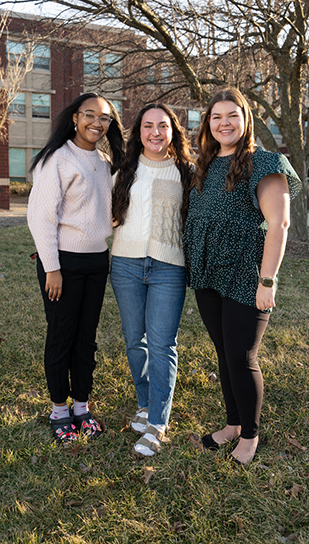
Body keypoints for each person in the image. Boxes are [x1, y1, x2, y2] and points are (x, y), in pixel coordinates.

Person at [183, 88, 301, 465]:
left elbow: (279, 224)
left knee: (241, 354)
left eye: (232, 115)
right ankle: (233, 423)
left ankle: (249, 435)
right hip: (207, 273)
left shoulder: (266, 163)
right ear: (208, 124)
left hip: (245, 274)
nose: (224, 123)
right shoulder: (204, 163)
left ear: (246, 119)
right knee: (223, 352)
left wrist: (267, 281)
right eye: (216, 117)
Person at [27, 92, 124, 443]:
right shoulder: (56, 159)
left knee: (86, 338)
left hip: (97, 262)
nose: (97, 123)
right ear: (74, 118)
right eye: (90, 115)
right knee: (62, 335)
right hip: (63, 264)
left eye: (105, 118)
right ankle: (58, 410)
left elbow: (104, 209)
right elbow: (40, 217)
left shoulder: (102, 161)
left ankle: (81, 405)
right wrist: (52, 268)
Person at [111, 103, 193, 457]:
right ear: (138, 131)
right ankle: (145, 404)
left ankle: (158, 422)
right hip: (125, 265)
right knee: (134, 341)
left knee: (162, 344)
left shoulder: (188, 172)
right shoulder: (124, 170)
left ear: (173, 130)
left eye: (162, 125)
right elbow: (108, 216)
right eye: (148, 126)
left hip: (168, 268)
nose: (155, 132)